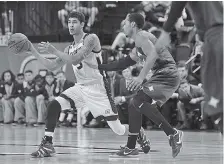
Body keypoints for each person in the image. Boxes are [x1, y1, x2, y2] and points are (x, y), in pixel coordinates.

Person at [26, 11, 150, 158]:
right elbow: (52, 66)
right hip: (81, 87)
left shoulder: (91, 38)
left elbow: (76, 59)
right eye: (69, 22)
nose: (71, 25)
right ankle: (47, 144)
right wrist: (32, 50)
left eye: (75, 22)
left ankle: (137, 131)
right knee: (54, 105)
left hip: (98, 89)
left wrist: (54, 50)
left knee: (118, 129)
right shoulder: (68, 48)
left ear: (82, 24)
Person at [98, 13, 183, 158]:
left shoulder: (141, 36)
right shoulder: (138, 44)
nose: (122, 26)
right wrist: (100, 67)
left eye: (125, 23)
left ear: (132, 25)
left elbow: (153, 56)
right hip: (163, 75)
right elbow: (123, 63)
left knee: (137, 101)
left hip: (166, 74)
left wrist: (140, 78)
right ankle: (131, 147)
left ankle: (173, 133)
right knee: (134, 104)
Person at [155, 2, 223, 133]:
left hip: (215, 36)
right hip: (214, 34)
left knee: (214, 97)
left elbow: (176, 6)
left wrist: (165, 31)